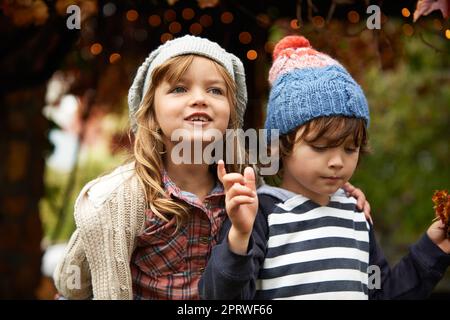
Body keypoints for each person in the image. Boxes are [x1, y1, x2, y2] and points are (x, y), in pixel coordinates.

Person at [53, 34, 369, 300]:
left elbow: (293, 193)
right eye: (179, 88)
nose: (200, 99)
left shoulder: (244, 183)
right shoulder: (122, 200)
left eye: (215, 90)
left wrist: (340, 192)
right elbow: (75, 284)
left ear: (231, 115)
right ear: (150, 112)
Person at [198, 35, 450, 300]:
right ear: (277, 146)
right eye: (320, 147)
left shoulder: (355, 214)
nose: (337, 161)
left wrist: (433, 248)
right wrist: (239, 236)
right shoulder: (259, 214)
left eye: (350, 149)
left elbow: (383, 294)